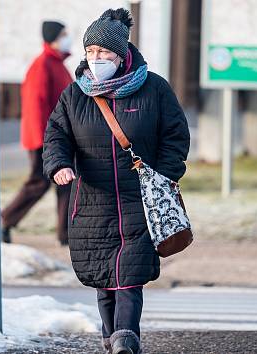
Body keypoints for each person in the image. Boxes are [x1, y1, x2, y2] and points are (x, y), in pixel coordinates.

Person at [42, 8, 190, 354]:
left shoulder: (154, 88)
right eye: (90, 52)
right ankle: (112, 338)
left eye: (104, 52)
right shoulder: (75, 94)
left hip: (140, 199)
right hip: (91, 201)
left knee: (129, 275)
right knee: (102, 278)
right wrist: (59, 165)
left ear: (121, 54)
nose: (96, 58)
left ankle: (126, 336)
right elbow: (56, 136)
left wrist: (164, 173)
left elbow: (175, 134)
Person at [1, 21, 73, 245]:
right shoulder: (42, 65)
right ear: (53, 38)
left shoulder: (57, 63)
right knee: (39, 183)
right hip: (44, 139)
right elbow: (36, 107)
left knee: (66, 182)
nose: (67, 38)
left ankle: (66, 234)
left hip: (59, 138)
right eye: (63, 34)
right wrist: (46, 142)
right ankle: (4, 221)